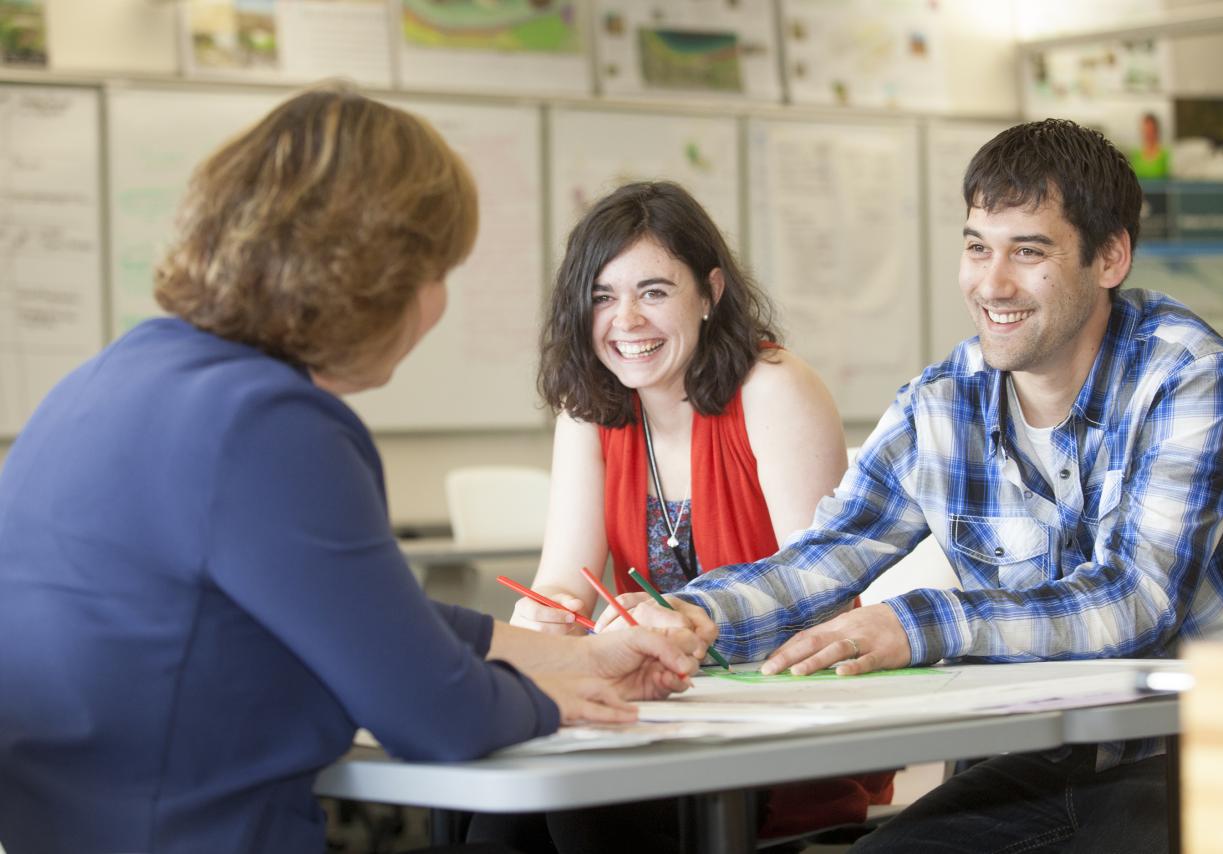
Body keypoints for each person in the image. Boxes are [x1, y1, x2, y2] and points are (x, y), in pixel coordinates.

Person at [0, 85, 708, 854]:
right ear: (376, 275)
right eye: (438, 271)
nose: (437, 302)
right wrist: (556, 694)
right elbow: (437, 716)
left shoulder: (104, 380)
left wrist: (571, 655)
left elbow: (363, 615)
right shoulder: (268, 424)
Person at [609, 119, 1223, 852]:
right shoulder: (942, 402)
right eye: (977, 247)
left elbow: (1134, 601)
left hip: (1217, 754)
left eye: (1028, 252)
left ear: (1110, 257)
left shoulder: (1188, 374)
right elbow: (831, 552)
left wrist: (917, 623)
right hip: (1040, 761)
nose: (991, 283)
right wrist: (693, 614)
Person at [480, 181, 893, 848]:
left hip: (781, 726)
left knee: (585, 809)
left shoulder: (772, 388)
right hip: (656, 713)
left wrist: (691, 624)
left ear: (711, 293)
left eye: (654, 292)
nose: (626, 321)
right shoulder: (590, 407)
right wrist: (547, 614)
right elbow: (565, 578)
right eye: (602, 297)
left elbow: (823, 591)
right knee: (502, 811)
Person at [1129, 111, 1171, 179]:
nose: (1148, 134)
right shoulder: (1136, 154)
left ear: (1156, 130)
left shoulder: (1165, 153)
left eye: (1151, 130)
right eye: (1146, 130)